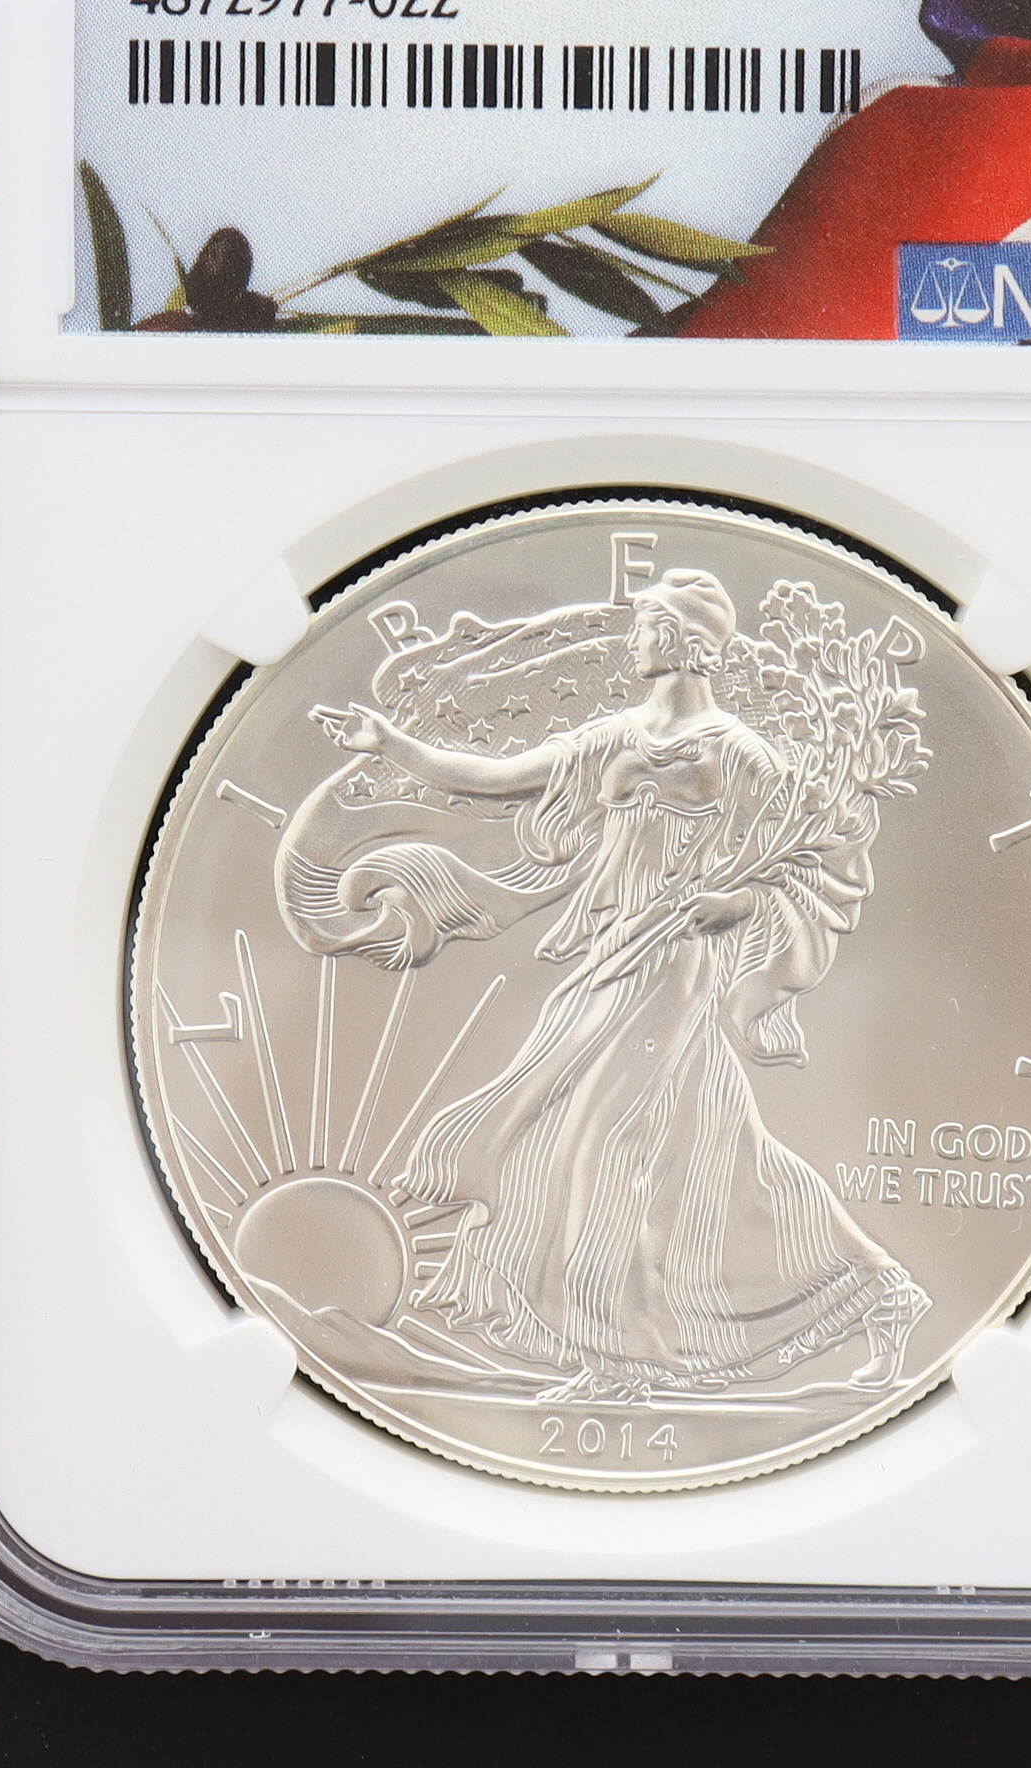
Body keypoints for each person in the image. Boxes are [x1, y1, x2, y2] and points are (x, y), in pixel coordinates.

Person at [326, 567, 929, 1402]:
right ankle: (880, 1291)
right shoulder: (613, 737)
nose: (634, 641)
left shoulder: (739, 754)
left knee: (599, 1145)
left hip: (676, 964)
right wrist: (390, 744)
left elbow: (823, 856)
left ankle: (621, 1359)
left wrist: (736, 902)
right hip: (612, 955)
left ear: (681, 639)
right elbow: (497, 778)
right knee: (722, 1155)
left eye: (646, 626)